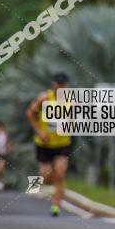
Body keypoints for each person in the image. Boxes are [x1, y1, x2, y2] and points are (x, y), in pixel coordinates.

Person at [26, 72, 74, 217]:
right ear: (54, 84)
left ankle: (56, 206)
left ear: (67, 86)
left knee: (60, 172)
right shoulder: (44, 98)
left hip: (62, 144)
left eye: (63, 85)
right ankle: (51, 185)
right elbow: (29, 113)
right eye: (57, 84)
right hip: (44, 144)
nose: (60, 87)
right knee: (45, 177)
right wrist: (39, 131)